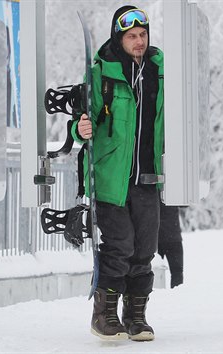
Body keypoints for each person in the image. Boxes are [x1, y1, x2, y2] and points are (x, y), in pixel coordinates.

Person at [73, 5, 163, 341]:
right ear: (119, 38)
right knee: (120, 245)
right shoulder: (101, 74)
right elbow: (80, 120)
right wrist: (78, 129)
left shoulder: (161, 70)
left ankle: (136, 317)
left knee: (144, 249)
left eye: (143, 35)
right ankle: (104, 315)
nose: (139, 42)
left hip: (148, 175)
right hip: (111, 177)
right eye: (132, 36)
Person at [158, 204, 184, 288]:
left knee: (149, 272)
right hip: (173, 236)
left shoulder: (149, 191)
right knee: (177, 272)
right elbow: (187, 202)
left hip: (154, 237)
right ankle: (177, 298)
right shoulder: (174, 192)